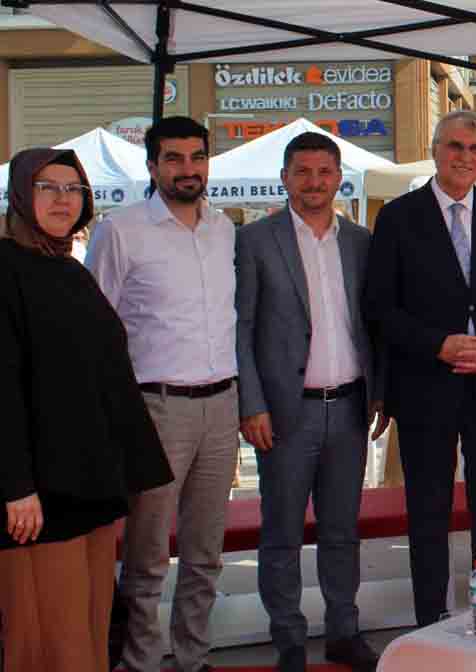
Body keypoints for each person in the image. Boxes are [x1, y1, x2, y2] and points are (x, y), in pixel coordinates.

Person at [363, 110, 476, 627]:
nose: (465, 157)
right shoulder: (398, 217)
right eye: (455, 146)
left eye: (475, 149)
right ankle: (431, 619)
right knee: (428, 510)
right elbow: (379, 308)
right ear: (436, 151)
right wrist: (439, 345)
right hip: (425, 386)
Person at [0, 148, 172, 672]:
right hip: (38, 501)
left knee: (90, 628)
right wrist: (16, 487)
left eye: (73, 188)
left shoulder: (68, 269)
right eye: (48, 187)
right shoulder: (6, 270)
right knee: (48, 637)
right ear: (21, 195)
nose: (63, 199)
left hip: (89, 485)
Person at [86, 116, 240, 672]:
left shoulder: (223, 229)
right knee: (148, 554)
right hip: (155, 408)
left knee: (205, 553)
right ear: (152, 166)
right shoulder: (120, 231)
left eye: (197, 157)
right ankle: (141, 661)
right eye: (174, 158)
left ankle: (193, 657)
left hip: (222, 406)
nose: (187, 169)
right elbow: (95, 327)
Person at [234, 132, 388, 671]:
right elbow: (241, 328)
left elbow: (374, 325)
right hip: (284, 413)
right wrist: (250, 404)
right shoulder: (255, 241)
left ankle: (344, 630)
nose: (314, 182)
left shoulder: (361, 242)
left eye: (324, 172)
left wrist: (380, 394)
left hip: (348, 407)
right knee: (281, 533)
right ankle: (290, 641)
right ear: (285, 178)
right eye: (302, 171)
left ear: (339, 177)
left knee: (342, 531)